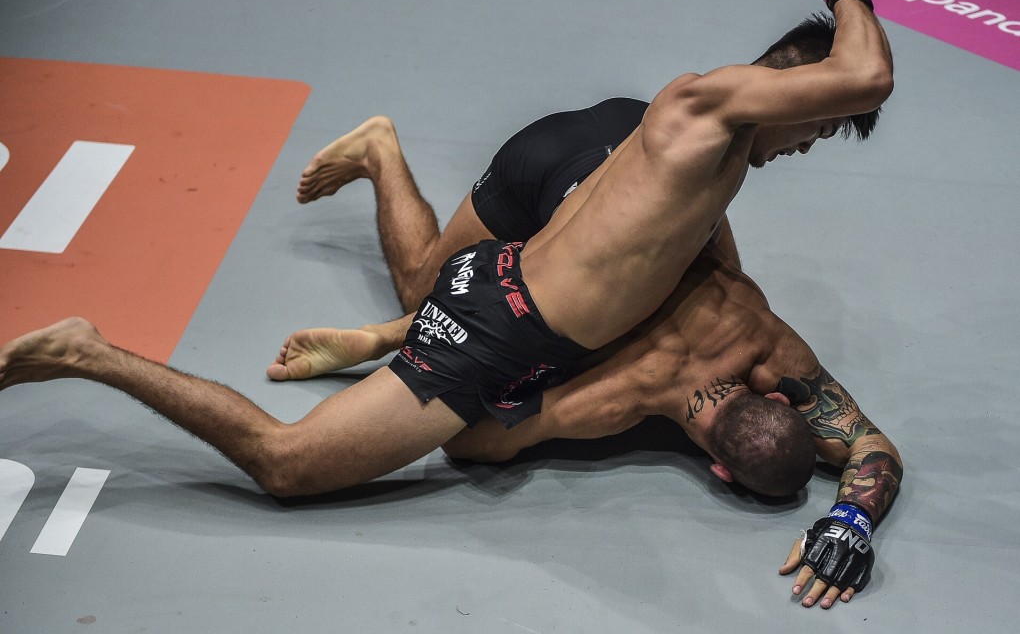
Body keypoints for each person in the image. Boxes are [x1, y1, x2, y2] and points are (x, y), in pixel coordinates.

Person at [0, 0, 893, 610]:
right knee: (287, 465)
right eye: (814, 130)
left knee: (417, 302)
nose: (805, 148)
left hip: (497, 285)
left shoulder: (718, 164)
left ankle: (388, 271)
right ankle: (90, 353)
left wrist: (850, 515)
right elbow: (867, 73)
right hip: (502, 335)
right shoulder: (711, 108)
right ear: (796, 91)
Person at [269, 80, 901, 610]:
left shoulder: (767, 340)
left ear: (780, 399)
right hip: (579, 200)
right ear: (719, 469)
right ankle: (381, 153)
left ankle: (385, 264)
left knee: (689, 255)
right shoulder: (624, 393)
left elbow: (872, 447)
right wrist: (851, 524)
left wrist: (850, 521)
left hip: (642, 135)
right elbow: (475, 435)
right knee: (430, 296)